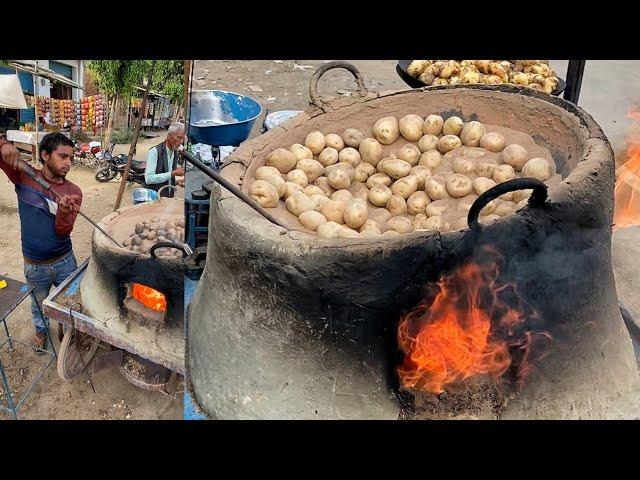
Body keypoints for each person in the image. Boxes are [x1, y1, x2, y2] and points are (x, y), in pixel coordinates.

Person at [0, 132, 82, 353]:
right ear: (45, 155)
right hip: (35, 265)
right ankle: (41, 331)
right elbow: (2, 155)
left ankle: (67, 331)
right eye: (63, 156)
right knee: (38, 304)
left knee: (69, 303)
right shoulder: (24, 176)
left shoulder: (73, 192)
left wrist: (64, 213)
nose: (68, 163)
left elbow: (63, 231)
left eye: (71, 158)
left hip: (65, 261)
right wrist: (3, 143)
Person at [144, 122, 185, 198]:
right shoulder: (154, 151)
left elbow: (166, 178)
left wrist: (176, 182)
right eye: (179, 137)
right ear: (169, 136)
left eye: (183, 138)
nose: (181, 142)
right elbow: (149, 179)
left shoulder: (175, 152)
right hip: (155, 197)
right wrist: (172, 173)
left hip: (168, 197)